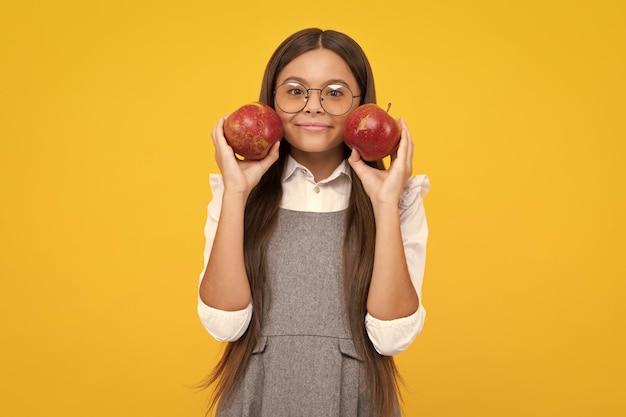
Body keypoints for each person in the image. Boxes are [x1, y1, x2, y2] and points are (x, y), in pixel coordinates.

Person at [197, 28, 429, 417]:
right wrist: (236, 194)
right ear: (272, 101)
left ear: (361, 105)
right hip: (257, 395)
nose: (314, 106)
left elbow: (391, 336)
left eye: (335, 92)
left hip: (356, 398)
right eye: (295, 90)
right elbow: (224, 323)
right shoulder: (237, 195)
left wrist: (385, 202)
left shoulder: (397, 199)